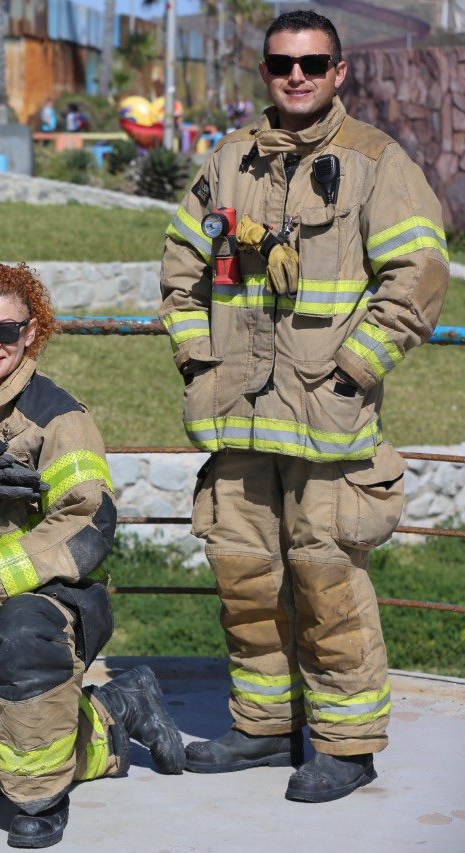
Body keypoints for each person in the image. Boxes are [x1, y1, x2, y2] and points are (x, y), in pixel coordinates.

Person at [160, 10, 448, 802]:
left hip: (328, 421)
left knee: (326, 583)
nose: (297, 76)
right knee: (246, 579)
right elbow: (180, 263)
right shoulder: (228, 161)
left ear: (339, 70)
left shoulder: (375, 163)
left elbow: (419, 274)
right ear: (265, 70)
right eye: (283, 63)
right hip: (237, 419)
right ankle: (262, 726)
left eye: (313, 64)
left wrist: (357, 367)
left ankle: (348, 744)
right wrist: (194, 354)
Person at [0, 263, 184, 848]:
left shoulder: (58, 418)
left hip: (44, 606)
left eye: (6, 330)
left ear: (32, 333)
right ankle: (117, 711)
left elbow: (89, 526)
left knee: (24, 649)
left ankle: (41, 801)